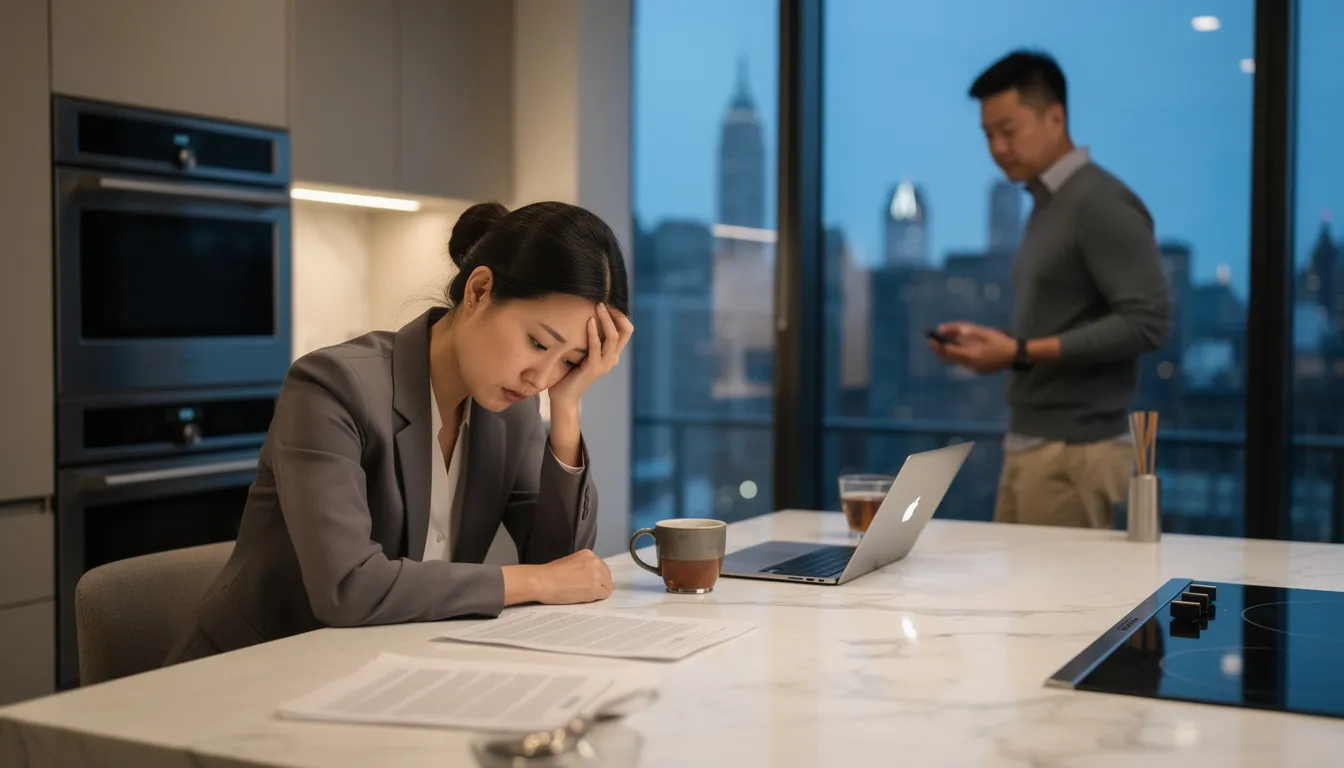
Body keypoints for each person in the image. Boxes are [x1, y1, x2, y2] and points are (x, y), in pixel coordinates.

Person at [164, 201, 634, 664]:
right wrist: (531, 582)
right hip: (250, 670)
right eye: (537, 342)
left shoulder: (514, 411)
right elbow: (346, 587)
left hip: (381, 669)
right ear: (480, 290)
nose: (541, 377)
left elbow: (563, 567)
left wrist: (567, 406)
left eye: (569, 362)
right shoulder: (332, 386)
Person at [930, 50, 1171, 529]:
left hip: (1074, 453)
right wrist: (996, 348)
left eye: (1009, 130)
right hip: (1035, 445)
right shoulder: (1048, 203)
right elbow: (1064, 323)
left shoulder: (1099, 202)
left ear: (1056, 117)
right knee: (1021, 604)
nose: (997, 147)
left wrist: (1018, 350)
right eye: (987, 135)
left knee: (1061, 605)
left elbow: (1149, 323)